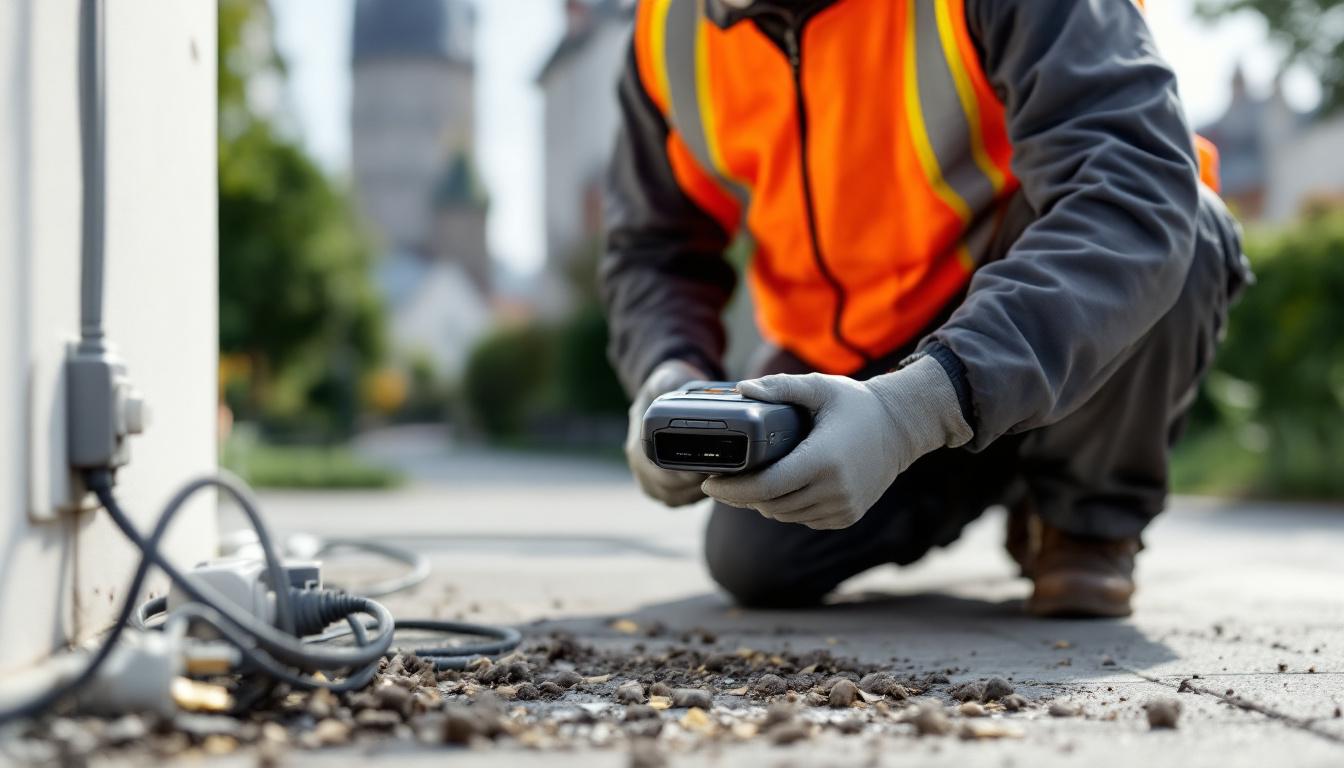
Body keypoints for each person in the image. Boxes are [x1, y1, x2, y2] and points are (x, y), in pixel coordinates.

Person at [600, 0, 1251, 617]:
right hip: (846, 367)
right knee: (756, 560)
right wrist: (667, 369)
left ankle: (1083, 519)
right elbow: (654, 248)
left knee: (1186, 227)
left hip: (1018, 301)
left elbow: (1130, 192)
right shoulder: (667, 27)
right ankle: (1006, 459)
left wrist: (914, 409)